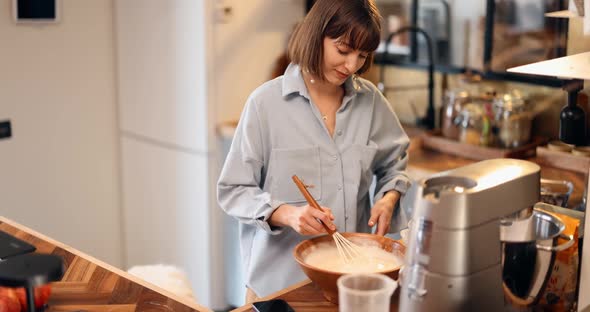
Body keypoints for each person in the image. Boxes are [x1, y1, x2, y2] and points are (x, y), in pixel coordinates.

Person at [217, 0, 411, 302]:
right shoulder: (265, 104)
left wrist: (388, 198)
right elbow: (233, 190)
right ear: (316, 35)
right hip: (279, 290)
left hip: (350, 286)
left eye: (362, 55)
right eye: (343, 50)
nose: (352, 65)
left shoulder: (371, 102)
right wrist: (287, 214)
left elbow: (394, 164)